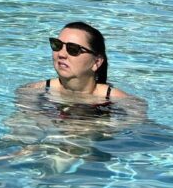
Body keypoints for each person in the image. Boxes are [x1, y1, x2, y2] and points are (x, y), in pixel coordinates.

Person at [18, 20, 146, 123]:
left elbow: (135, 125)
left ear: (96, 62)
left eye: (73, 49)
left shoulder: (122, 101)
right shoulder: (33, 92)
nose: (61, 54)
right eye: (57, 45)